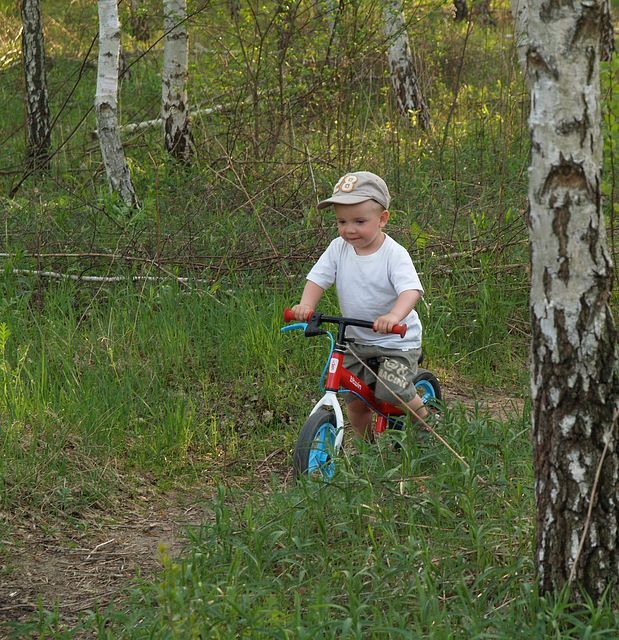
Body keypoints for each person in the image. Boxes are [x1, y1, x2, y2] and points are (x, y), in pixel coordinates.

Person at [291, 171, 429, 439]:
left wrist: (393, 316)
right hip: (356, 340)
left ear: (382, 219)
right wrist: (306, 304)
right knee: (354, 399)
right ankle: (367, 448)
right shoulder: (338, 248)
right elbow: (318, 278)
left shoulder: (394, 254)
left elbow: (411, 290)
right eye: (341, 221)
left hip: (397, 341)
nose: (349, 229)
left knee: (392, 390)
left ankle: (426, 423)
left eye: (359, 221)